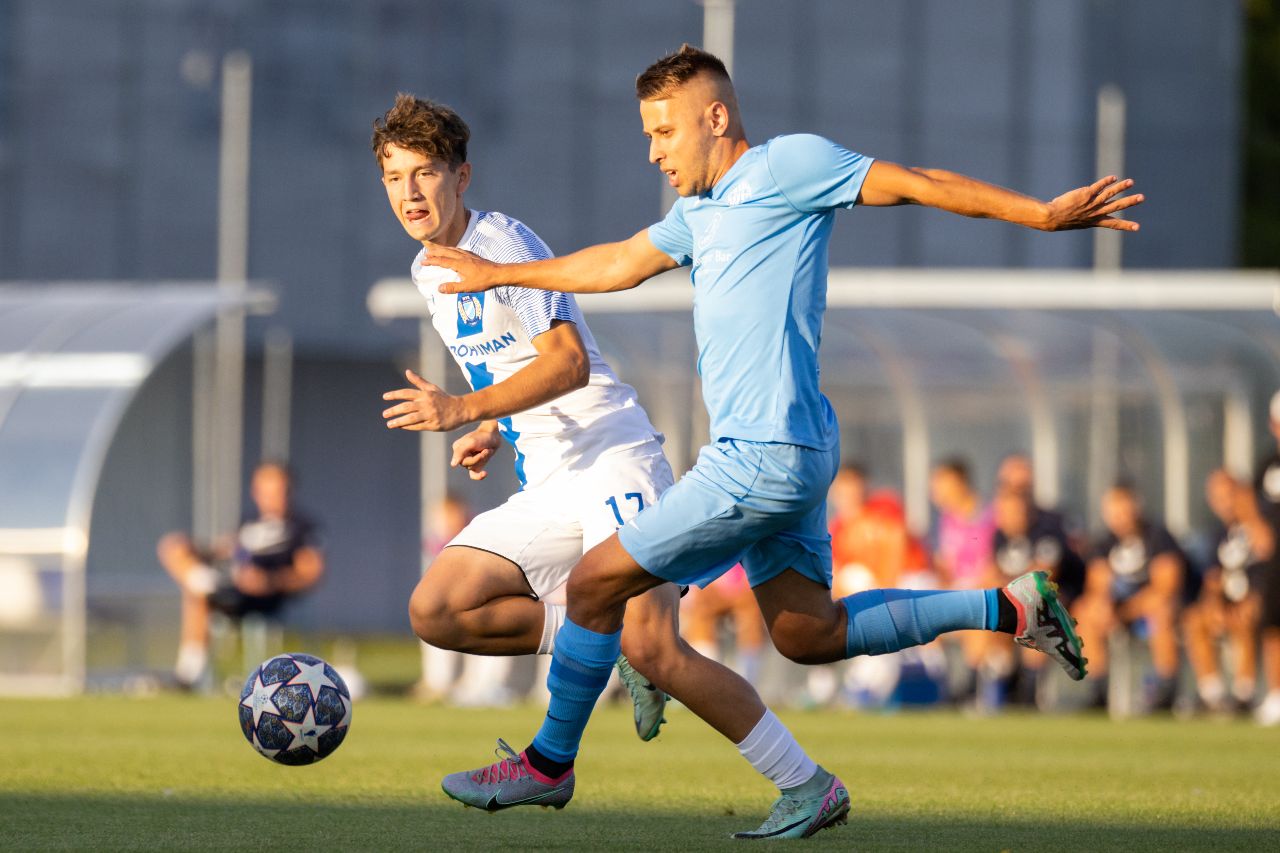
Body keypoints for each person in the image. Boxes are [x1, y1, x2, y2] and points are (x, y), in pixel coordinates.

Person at [427, 45, 1138, 837]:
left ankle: (548, 763)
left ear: (715, 118)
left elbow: (919, 183)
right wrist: (504, 276)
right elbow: (619, 263)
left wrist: (1041, 215)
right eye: (648, 135)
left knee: (597, 583)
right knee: (808, 633)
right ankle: (1005, 607)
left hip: (761, 455)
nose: (653, 151)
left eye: (664, 132)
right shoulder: (697, 214)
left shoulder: (789, 165)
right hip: (791, 449)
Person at [371, 93, 828, 830]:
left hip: (613, 458)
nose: (409, 192)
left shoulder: (501, 246)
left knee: (658, 649)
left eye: (424, 173)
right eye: (394, 177)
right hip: (549, 478)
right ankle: (600, 643)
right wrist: (494, 424)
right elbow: (511, 364)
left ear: (461, 176)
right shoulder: (429, 268)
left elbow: (570, 363)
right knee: (439, 609)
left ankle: (807, 783)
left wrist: (462, 409)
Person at [157, 461, 323, 688]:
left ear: (289, 490)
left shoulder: (301, 527)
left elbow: (310, 574)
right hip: (233, 583)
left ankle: (188, 674)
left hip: (266, 596)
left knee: (198, 594)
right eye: (266, 491)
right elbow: (226, 549)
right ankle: (205, 583)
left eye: (278, 491)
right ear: (256, 492)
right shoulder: (249, 523)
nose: (272, 497)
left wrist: (270, 581)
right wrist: (194, 549)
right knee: (175, 549)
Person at [1072, 483, 1186, 710]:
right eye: (1114, 513)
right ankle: (1097, 687)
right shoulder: (1104, 544)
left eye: (1123, 511)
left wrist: (1129, 609)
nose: (1119, 519)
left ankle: (1166, 688)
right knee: (1085, 611)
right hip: (1120, 612)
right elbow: (1097, 584)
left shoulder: (1158, 537)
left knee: (1161, 609)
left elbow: (1166, 587)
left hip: (1148, 611)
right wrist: (1104, 606)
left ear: (1136, 508)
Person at [1182, 470, 1270, 713]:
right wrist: (1214, 605)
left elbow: (1269, 566)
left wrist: (1253, 599)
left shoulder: (1264, 524)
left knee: (1245, 617)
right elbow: (1214, 579)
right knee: (1195, 620)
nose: (1225, 504)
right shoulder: (1219, 534)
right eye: (1218, 498)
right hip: (1230, 601)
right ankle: (1212, 694)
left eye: (1229, 495)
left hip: (1259, 600)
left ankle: (1244, 694)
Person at [1251, 391, 1280, 725]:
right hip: (1274, 559)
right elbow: (1249, 497)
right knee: (1273, 623)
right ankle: (1276, 692)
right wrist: (1256, 527)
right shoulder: (1268, 464)